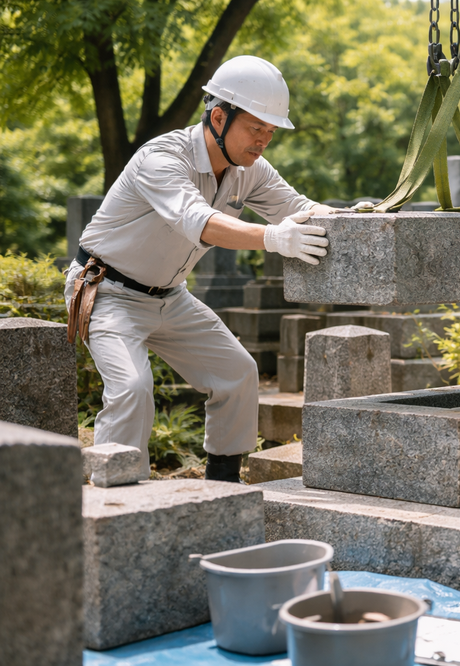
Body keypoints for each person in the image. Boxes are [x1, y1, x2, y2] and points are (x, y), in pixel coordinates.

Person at [64, 56, 339, 482]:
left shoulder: (249, 169)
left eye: (271, 131)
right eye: (256, 127)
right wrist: (272, 238)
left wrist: (356, 217)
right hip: (107, 292)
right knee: (132, 388)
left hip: (171, 296)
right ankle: (113, 497)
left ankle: (222, 486)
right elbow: (200, 221)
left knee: (237, 373)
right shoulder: (161, 158)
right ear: (218, 117)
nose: (264, 140)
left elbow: (298, 207)